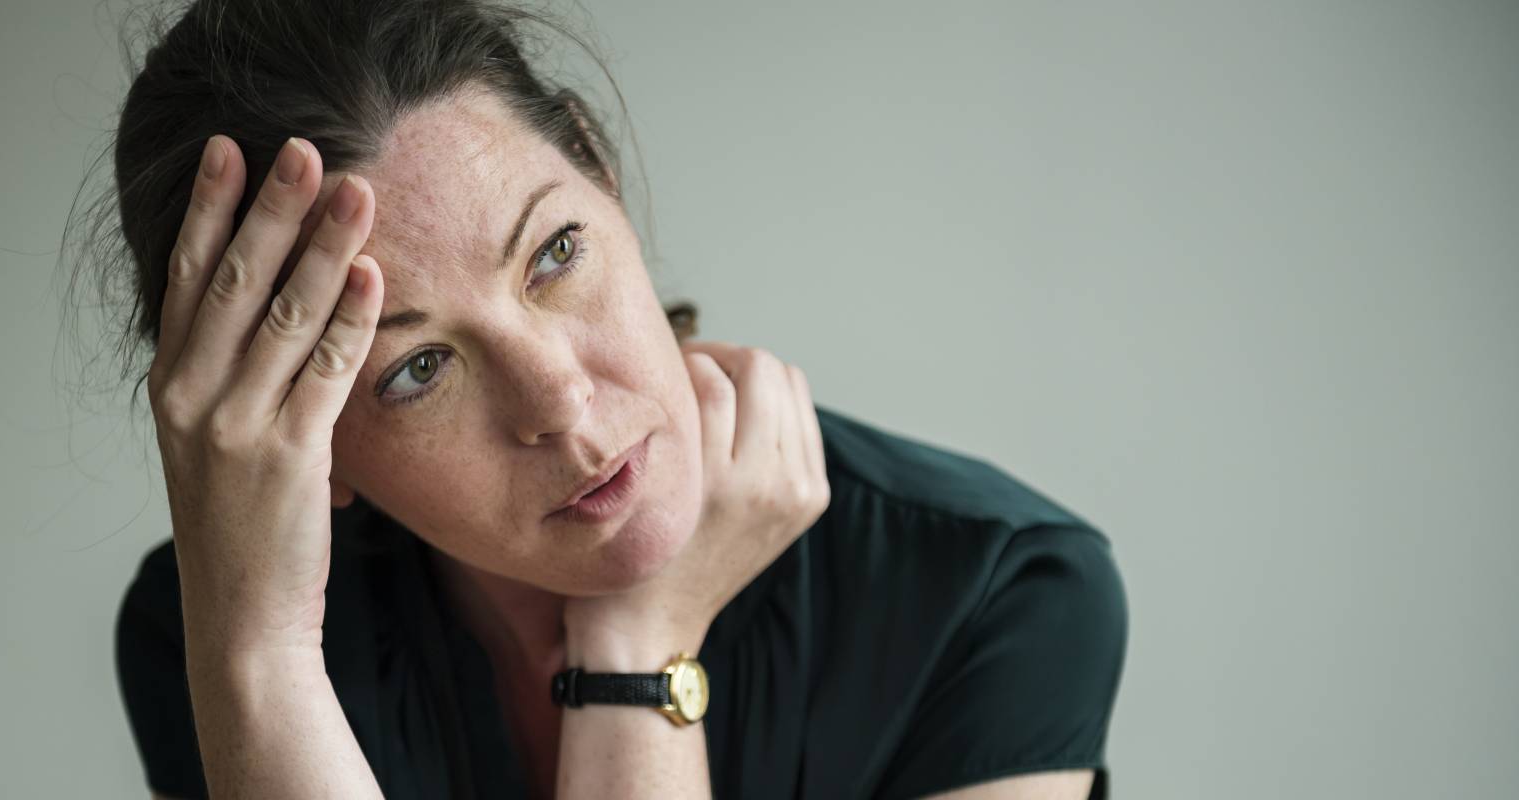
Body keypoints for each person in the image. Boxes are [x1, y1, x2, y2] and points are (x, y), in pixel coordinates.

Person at [80, 0, 1128, 797]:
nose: (562, 399)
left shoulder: (995, 594)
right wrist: (260, 654)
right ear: (309, 447)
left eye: (556, 252)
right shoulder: (209, 637)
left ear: (600, 168)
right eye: (417, 368)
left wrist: (637, 659)